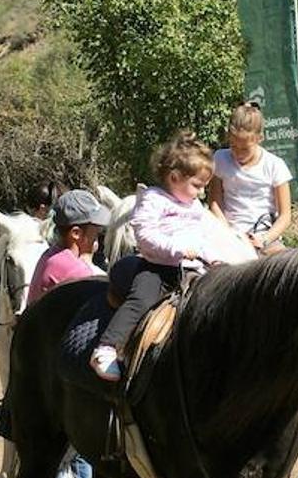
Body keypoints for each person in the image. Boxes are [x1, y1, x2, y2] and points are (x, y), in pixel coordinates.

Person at [22, 189, 112, 478]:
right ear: (75, 233)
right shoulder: (68, 268)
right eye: (94, 231)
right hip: (53, 388)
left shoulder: (55, 259)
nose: (99, 238)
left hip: (49, 381)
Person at [90, 131, 216, 381]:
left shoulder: (194, 207)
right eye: (197, 186)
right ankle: (107, 347)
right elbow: (144, 235)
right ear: (174, 177)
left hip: (192, 269)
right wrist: (176, 249)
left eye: (203, 187)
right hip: (157, 268)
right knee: (142, 299)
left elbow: (203, 238)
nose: (200, 193)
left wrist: (212, 258)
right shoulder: (154, 200)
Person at [208, 102, 292, 254]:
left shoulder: (275, 165)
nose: (238, 153)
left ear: (259, 138)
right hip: (229, 235)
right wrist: (227, 232)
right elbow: (214, 203)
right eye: (233, 146)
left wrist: (264, 239)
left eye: (245, 149)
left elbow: (285, 215)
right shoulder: (220, 159)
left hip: (265, 238)